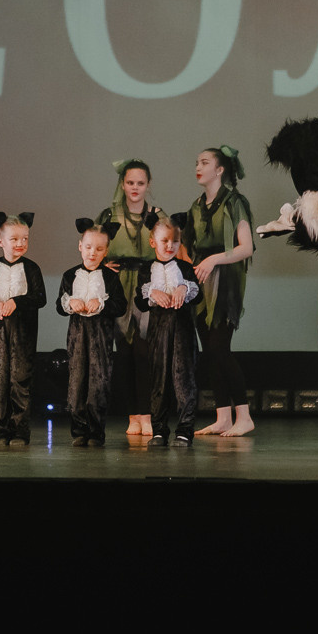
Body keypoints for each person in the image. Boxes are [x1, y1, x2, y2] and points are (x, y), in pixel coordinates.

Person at [186, 146, 256, 437]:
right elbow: (188, 246)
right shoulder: (196, 206)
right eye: (196, 162)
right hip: (202, 280)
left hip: (225, 281)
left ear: (220, 169)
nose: (198, 167)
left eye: (204, 162)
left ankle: (244, 415)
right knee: (210, 352)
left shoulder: (235, 202)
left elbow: (246, 247)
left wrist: (214, 259)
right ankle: (223, 417)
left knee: (220, 349)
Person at [97, 158, 162, 437]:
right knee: (123, 353)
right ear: (122, 184)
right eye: (130, 182)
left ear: (148, 185)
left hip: (148, 284)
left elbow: (168, 244)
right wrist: (102, 266)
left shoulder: (157, 214)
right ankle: (132, 416)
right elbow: (94, 246)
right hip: (120, 285)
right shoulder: (108, 215)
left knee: (144, 352)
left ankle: (147, 414)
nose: (135, 187)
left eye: (141, 183)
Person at [57, 219, 127, 447]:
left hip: (101, 337)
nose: (92, 253)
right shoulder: (69, 275)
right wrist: (71, 302)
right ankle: (79, 430)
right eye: (88, 247)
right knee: (76, 382)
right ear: (80, 246)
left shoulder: (109, 277)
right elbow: (59, 306)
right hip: (77, 336)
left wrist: (103, 304)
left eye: (98, 249)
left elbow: (121, 305)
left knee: (99, 383)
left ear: (106, 251)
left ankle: (96, 432)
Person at [134, 212, 201, 447]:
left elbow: (197, 295)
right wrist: (152, 292)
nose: (170, 245)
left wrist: (184, 287)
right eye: (164, 241)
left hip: (182, 329)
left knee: (184, 379)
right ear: (153, 242)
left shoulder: (184, 267)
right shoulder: (146, 269)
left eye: (175, 241)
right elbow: (140, 301)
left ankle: (185, 429)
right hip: (158, 331)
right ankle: (159, 430)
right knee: (159, 380)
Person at [0, 212, 46, 447]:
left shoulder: (32, 268)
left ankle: (19, 431)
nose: (20, 244)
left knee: (20, 380)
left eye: (24, 239)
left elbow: (40, 297)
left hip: (23, 332)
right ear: (0, 241)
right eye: (14, 239)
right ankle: (2, 430)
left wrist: (17, 301)